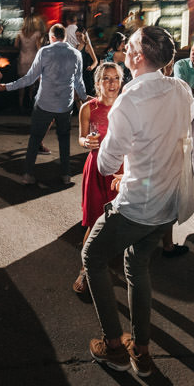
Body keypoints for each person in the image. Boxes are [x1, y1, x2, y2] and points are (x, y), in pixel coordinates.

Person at [82, 26, 194, 377]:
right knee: (137, 267)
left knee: (92, 257)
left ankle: (114, 345)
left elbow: (104, 164)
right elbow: (175, 131)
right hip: (166, 206)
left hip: (136, 207)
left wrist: (101, 144)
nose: (124, 51)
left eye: (128, 47)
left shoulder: (128, 101)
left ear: (137, 57)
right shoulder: (181, 89)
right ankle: (142, 351)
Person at [0, 23, 86, 187]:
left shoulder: (44, 52)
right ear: (64, 37)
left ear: (51, 37)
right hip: (65, 104)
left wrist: (7, 86)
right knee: (64, 139)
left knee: (35, 139)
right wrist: (85, 98)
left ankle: (28, 174)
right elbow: (79, 82)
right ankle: (66, 175)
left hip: (44, 102)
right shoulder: (76, 54)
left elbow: (29, 78)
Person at [73, 62, 123, 294]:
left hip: (121, 170)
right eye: (106, 78)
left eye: (116, 78)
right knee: (96, 220)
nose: (111, 83)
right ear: (97, 83)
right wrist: (86, 142)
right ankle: (86, 269)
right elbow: (81, 138)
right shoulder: (88, 108)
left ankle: (116, 263)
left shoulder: (127, 107)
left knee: (121, 220)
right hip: (96, 168)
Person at [14, 15, 46, 111]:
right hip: (33, 59)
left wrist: (22, 48)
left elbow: (16, 45)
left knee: (22, 83)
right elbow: (38, 48)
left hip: (22, 59)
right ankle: (30, 102)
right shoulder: (37, 34)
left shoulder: (20, 33)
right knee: (32, 83)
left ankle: (20, 104)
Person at [75, 29, 99, 96]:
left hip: (86, 74)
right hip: (78, 74)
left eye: (80, 36)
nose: (78, 38)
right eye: (77, 36)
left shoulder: (87, 46)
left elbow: (95, 61)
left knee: (87, 94)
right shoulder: (76, 46)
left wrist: (91, 67)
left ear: (84, 36)